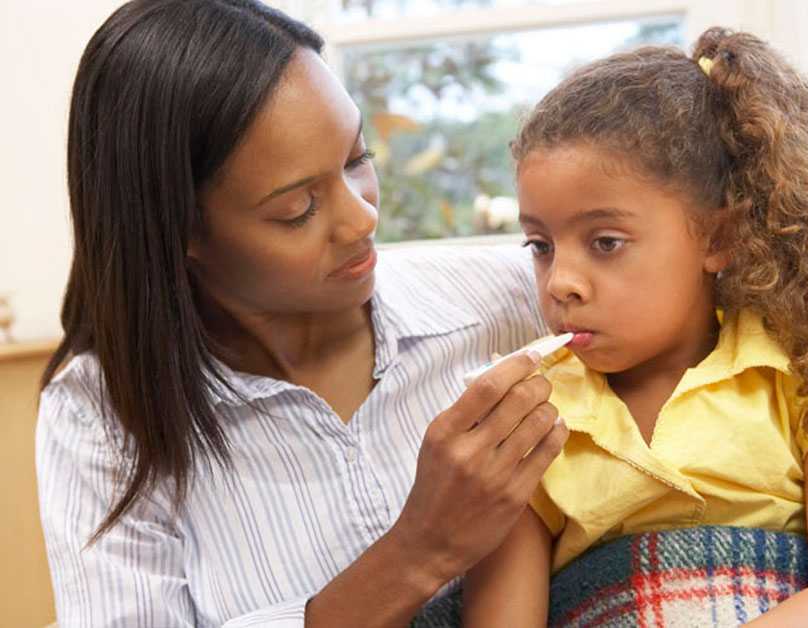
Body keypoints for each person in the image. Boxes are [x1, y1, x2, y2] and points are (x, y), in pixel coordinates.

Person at [35, 1, 569, 626]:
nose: (362, 217)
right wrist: (421, 550)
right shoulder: (102, 418)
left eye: (356, 160)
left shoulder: (515, 303)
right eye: (297, 209)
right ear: (181, 230)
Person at [462, 28, 808, 626]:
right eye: (541, 245)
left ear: (719, 237)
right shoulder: (528, 425)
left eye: (606, 242)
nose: (560, 282)